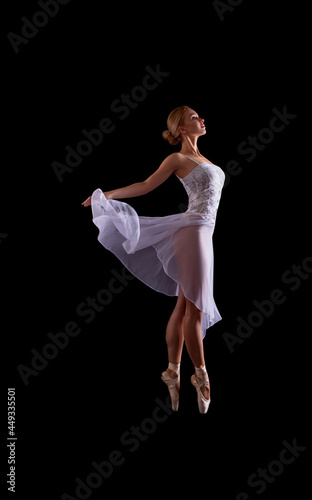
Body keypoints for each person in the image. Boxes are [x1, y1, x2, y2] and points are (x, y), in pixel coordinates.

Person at [82, 105, 225, 413]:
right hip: (193, 232)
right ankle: (201, 375)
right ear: (183, 129)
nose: (202, 119)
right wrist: (106, 195)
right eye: (194, 118)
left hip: (201, 233)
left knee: (185, 305)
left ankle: (172, 370)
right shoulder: (177, 158)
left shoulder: (204, 159)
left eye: (200, 116)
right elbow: (146, 185)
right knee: (196, 310)